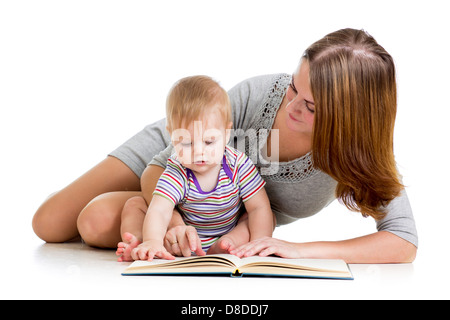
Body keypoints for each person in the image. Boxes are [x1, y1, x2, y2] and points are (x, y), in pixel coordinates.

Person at [32, 28, 418, 263]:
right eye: (293, 89)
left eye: (311, 106)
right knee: (48, 224)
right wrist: (174, 222)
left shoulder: (358, 155)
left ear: (350, 119)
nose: (292, 107)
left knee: (97, 224)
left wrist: (302, 250)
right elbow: (162, 164)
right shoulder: (260, 96)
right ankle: (99, 199)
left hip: (224, 218)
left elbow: (403, 240)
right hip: (174, 155)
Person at [115, 75, 273, 261]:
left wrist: (259, 242)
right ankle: (142, 243)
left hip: (229, 232)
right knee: (136, 205)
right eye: (187, 143)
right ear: (172, 137)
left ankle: (227, 244)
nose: (199, 152)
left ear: (226, 133)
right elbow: (159, 210)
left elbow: (258, 207)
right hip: (184, 241)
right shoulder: (177, 170)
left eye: (209, 141)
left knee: (252, 219)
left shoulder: (238, 164)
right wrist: (154, 240)